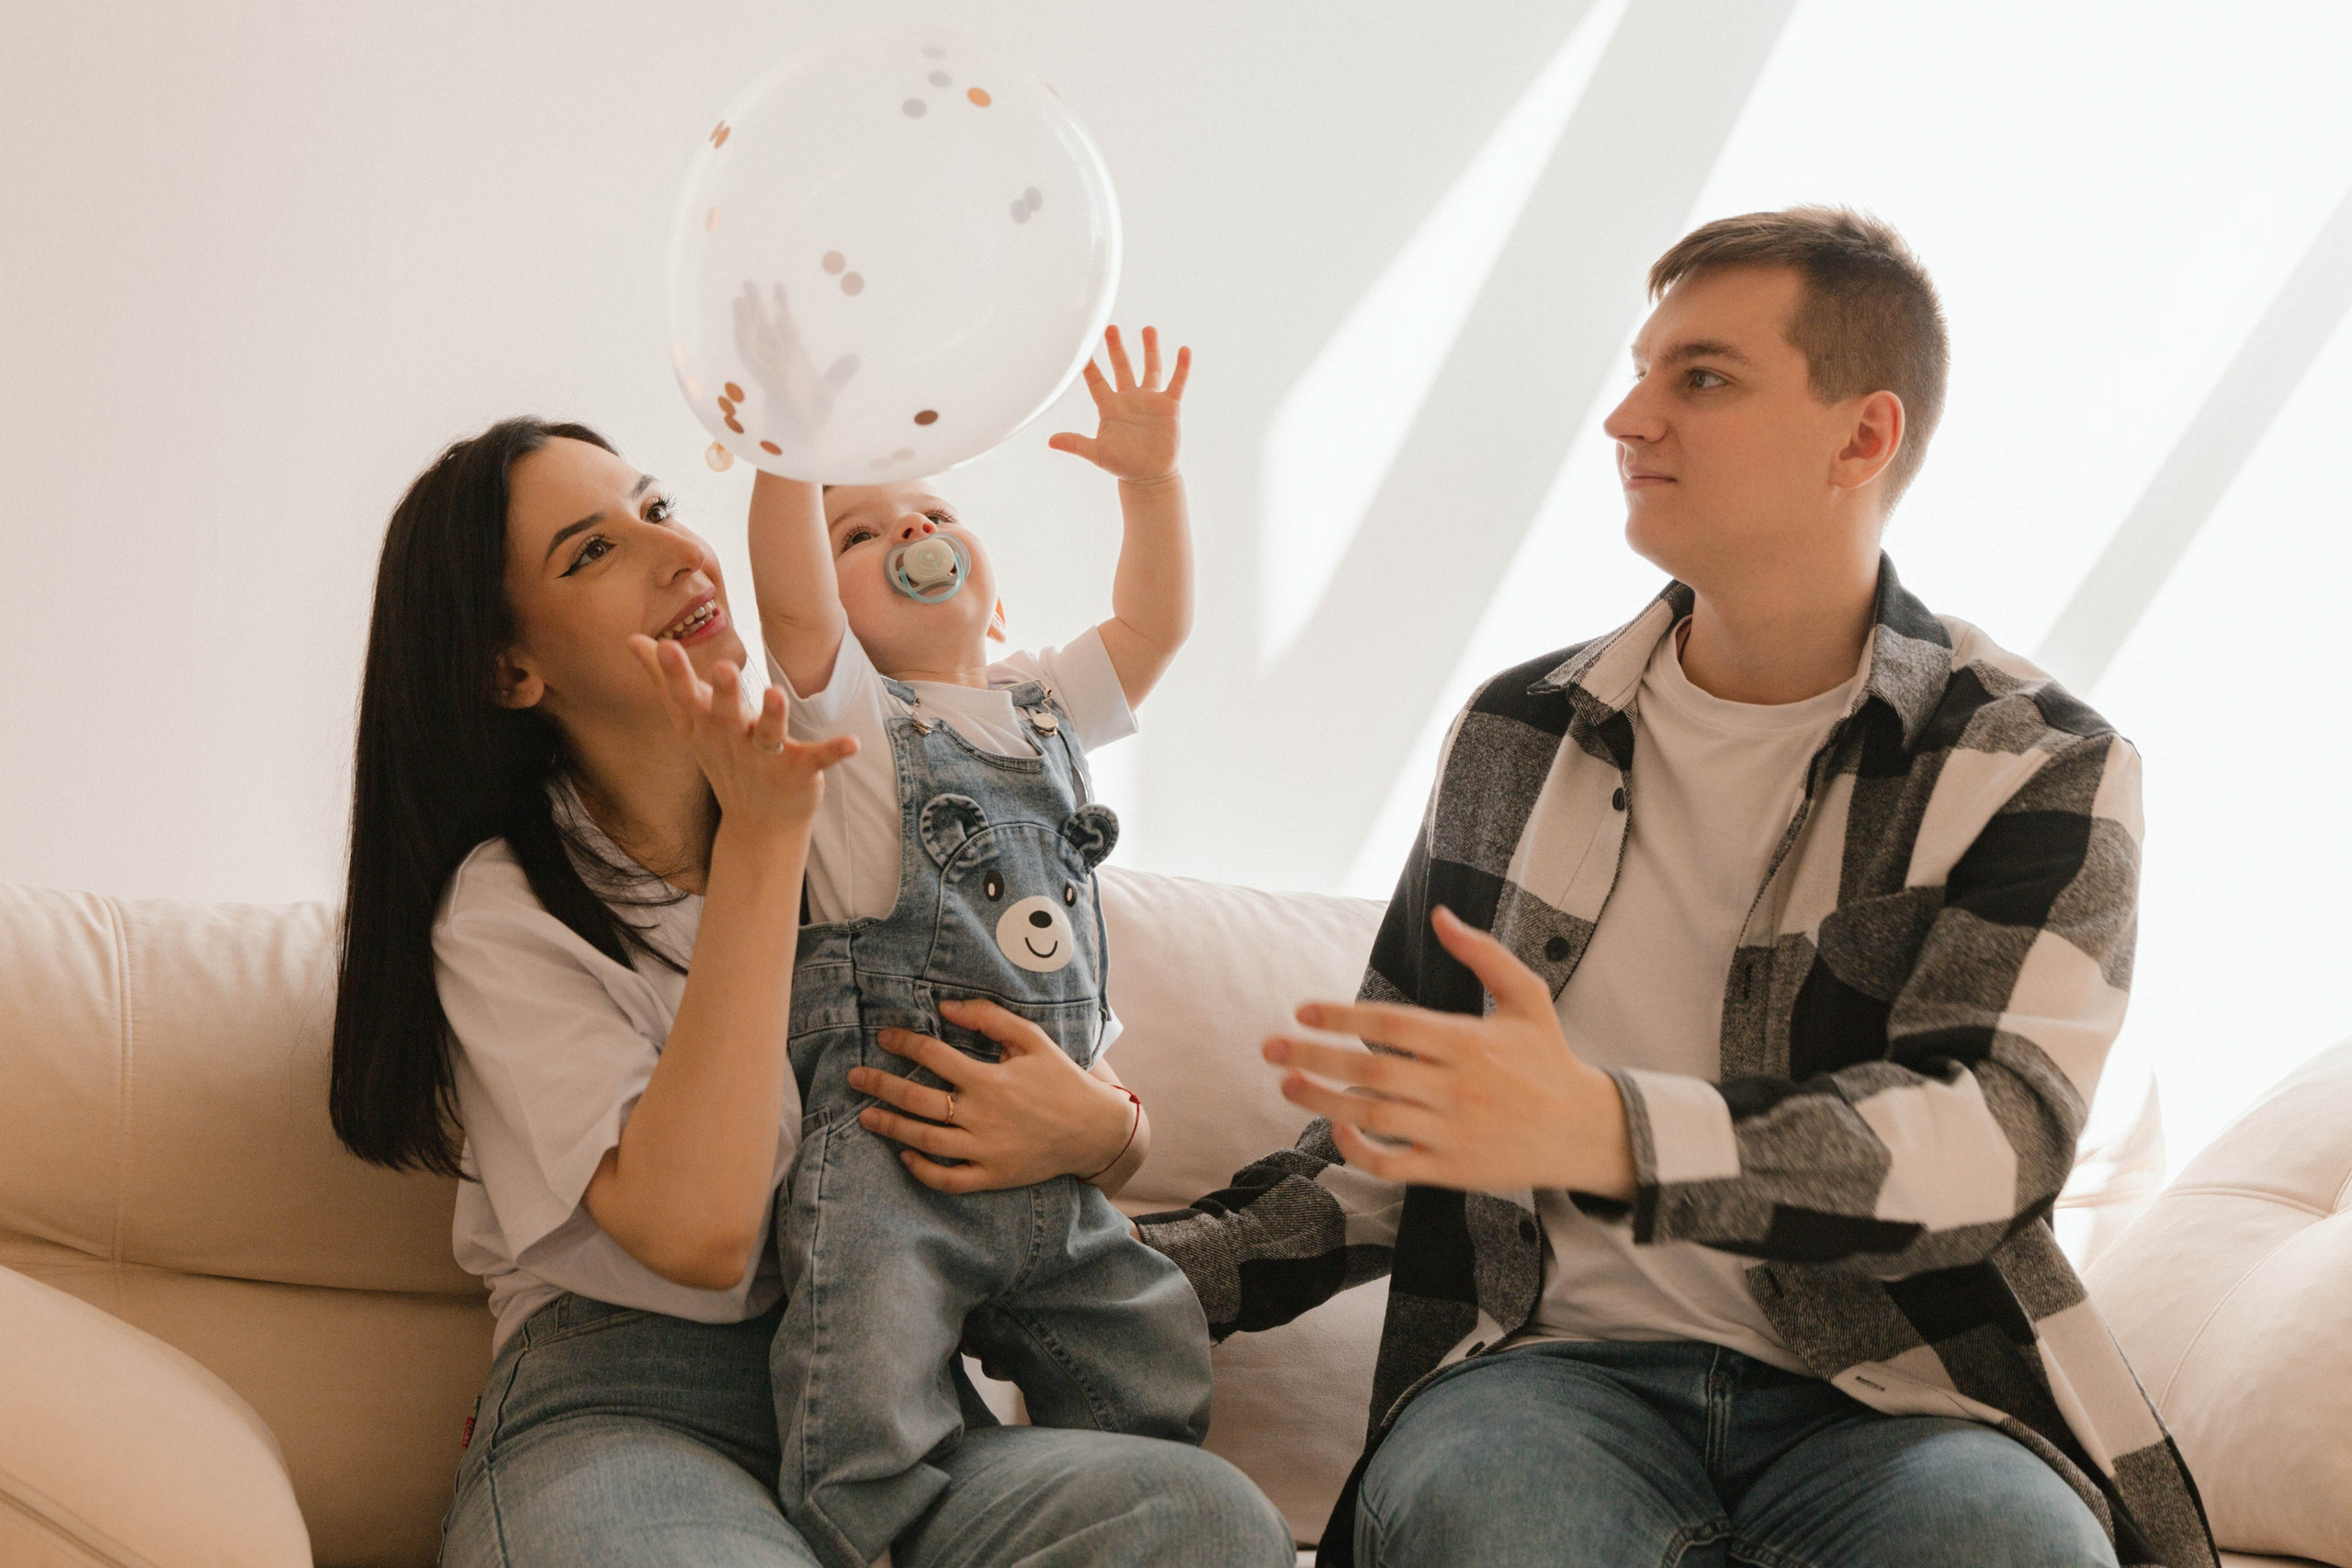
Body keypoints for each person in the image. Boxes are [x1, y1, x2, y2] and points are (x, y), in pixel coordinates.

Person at [1131, 209, 2218, 1567]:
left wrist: (1607, 1129)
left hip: (1904, 1396)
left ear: (1862, 436)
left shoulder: (2033, 761)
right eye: (1642, 371)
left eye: (1701, 377)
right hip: (1548, 1376)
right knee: (1485, 1516)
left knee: (2014, 1550)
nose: (1630, 417)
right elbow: (1396, 1142)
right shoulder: (1518, 732)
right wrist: (1112, 1271)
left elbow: (1991, 1140)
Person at [326, 417, 1292, 1568]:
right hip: (636, 1411)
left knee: (1204, 1518)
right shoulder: (506, 907)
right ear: (510, 668)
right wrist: (764, 846)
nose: (675, 554)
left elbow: (1023, 1024)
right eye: (592, 553)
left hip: (897, 1406)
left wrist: (1113, 1135)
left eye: (659, 508)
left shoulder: (866, 783)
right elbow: (703, 1230)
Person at [741, 322, 1212, 1568]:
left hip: (1057, 1160)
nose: (905, 531)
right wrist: (792, 446)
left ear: (995, 598)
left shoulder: (1046, 702)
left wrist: (1149, 482)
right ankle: (869, 1534)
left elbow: (1155, 626)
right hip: (894, 1154)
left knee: (1153, 1345)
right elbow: (787, 598)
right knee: (862, 1394)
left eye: (927, 510)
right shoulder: (845, 713)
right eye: (860, 531)